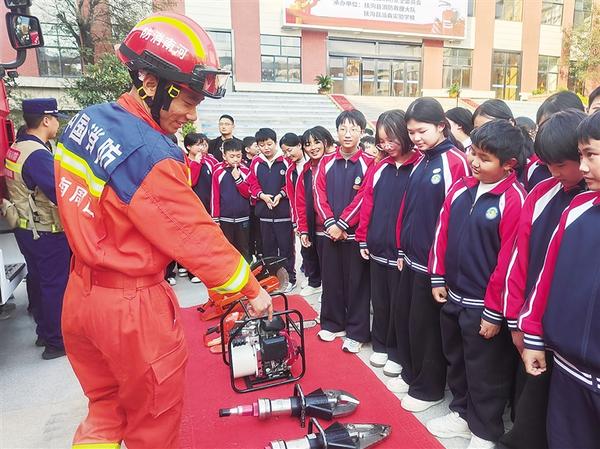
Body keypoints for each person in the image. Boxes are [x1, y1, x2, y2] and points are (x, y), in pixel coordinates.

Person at [54, 13, 272, 449]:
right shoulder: (151, 153)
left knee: (103, 412)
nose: (191, 116)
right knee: (153, 425)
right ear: (150, 83)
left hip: (81, 296)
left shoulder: (86, 120)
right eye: (187, 100)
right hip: (131, 309)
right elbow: (194, 235)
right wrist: (251, 290)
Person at [425, 120, 526, 449]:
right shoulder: (461, 188)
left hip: (483, 307)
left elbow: (510, 262)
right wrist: (437, 276)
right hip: (453, 296)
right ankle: (461, 413)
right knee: (457, 361)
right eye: (473, 153)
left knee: (486, 372)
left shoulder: (513, 199)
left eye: (485, 158)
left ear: (509, 164)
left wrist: (494, 312)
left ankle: (485, 430)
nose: (475, 162)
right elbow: (441, 233)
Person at [500, 109, 587, 449]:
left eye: (561, 164)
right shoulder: (540, 194)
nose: (554, 172)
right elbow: (519, 258)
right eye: (548, 164)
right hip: (532, 323)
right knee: (530, 405)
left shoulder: (588, 204)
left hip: (572, 334)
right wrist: (516, 319)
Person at [519, 111, 600, 449]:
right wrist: (533, 335)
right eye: (580, 155)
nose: (582, 167)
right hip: (567, 372)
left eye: (590, 155)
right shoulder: (578, 208)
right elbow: (545, 278)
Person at [391, 97, 470, 411]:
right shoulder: (421, 160)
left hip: (434, 264)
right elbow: (409, 208)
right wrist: (401, 247)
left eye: (422, 131)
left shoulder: (455, 162)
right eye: (411, 132)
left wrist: (442, 268)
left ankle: (429, 388)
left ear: (441, 126)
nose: (416, 138)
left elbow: (456, 219)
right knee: (408, 321)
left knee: (429, 330)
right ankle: (411, 374)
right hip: (411, 258)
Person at [355, 109, 421, 374]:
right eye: (381, 141)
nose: (386, 146)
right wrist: (363, 237)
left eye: (391, 140)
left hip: (402, 252)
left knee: (398, 305)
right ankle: (380, 343)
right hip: (377, 246)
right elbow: (367, 203)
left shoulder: (418, 166)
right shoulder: (380, 167)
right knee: (380, 301)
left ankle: (396, 351)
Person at [5, 98, 70, 360]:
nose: (57, 124)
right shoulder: (37, 155)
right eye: (56, 119)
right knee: (55, 284)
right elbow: (59, 193)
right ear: (46, 120)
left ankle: (44, 332)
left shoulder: (17, 147)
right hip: (45, 230)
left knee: (40, 279)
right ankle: (56, 341)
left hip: (25, 228)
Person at [314, 109, 374, 353]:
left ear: (362, 132)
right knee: (331, 280)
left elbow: (365, 197)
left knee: (357, 285)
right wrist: (330, 223)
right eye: (343, 129)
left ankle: (357, 332)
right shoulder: (326, 162)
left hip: (355, 236)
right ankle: (333, 323)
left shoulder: (369, 163)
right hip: (330, 234)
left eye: (353, 129)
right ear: (336, 132)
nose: (347, 134)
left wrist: (343, 224)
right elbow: (318, 194)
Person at [248, 128, 297, 292]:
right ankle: (274, 279)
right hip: (264, 214)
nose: (266, 148)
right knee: (268, 250)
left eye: (269, 144)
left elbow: (291, 183)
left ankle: (290, 278)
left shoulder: (285, 160)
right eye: (262, 145)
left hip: (283, 213)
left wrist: (281, 195)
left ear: (275, 143)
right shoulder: (256, 162)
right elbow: (252, 183)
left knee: (286, 248)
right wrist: (262, 195)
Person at [296, 126, 333, 296]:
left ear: (325, 142)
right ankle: (315, 283)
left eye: (317, 142)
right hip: (313, 225)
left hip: (332, 226)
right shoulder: (305, 171)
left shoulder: (333, 165)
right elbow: (301, 203)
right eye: (308, 144)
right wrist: (303, 229)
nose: (313, 147)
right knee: (311, 254)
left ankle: (329, 291)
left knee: (330, 263)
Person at [211, 139, 251, 262]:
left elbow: (248, 194)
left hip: (243, 217)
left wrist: (238, 179)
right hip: (225, 219)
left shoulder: (245, 171)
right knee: (227, 248)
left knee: (244, 248)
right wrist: (215, 218)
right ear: (224, 156)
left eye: (238, 156)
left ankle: (246, 271)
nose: (235, 159)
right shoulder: (218, 172)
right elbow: (214, 196)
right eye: (232, 156)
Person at [243, 136, 262, 260]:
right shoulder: (243, 164)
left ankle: (260, 255)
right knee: (249, 234)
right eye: (256, 146)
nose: (259, 148)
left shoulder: (260, 161)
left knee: (260, 233)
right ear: (247, 149)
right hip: (247, 206)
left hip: (259, 203)